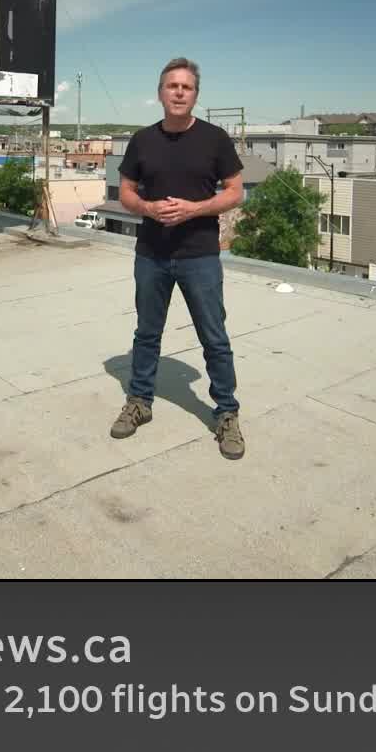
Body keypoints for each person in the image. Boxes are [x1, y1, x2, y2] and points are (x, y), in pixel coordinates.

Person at [111, 57, 247, 459]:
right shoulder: (142, 140)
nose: (179, 92)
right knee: (147, 334)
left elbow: (235, 192)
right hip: (151, 254)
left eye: (186, 87)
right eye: (172, 86)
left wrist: (194, 209)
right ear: (160, 93)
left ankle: (226, 413)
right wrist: (150, 209)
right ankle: (139, 401)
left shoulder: (215, 139)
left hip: (199, 256)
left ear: (196, 95)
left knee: (214, 338)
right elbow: (126, 192)